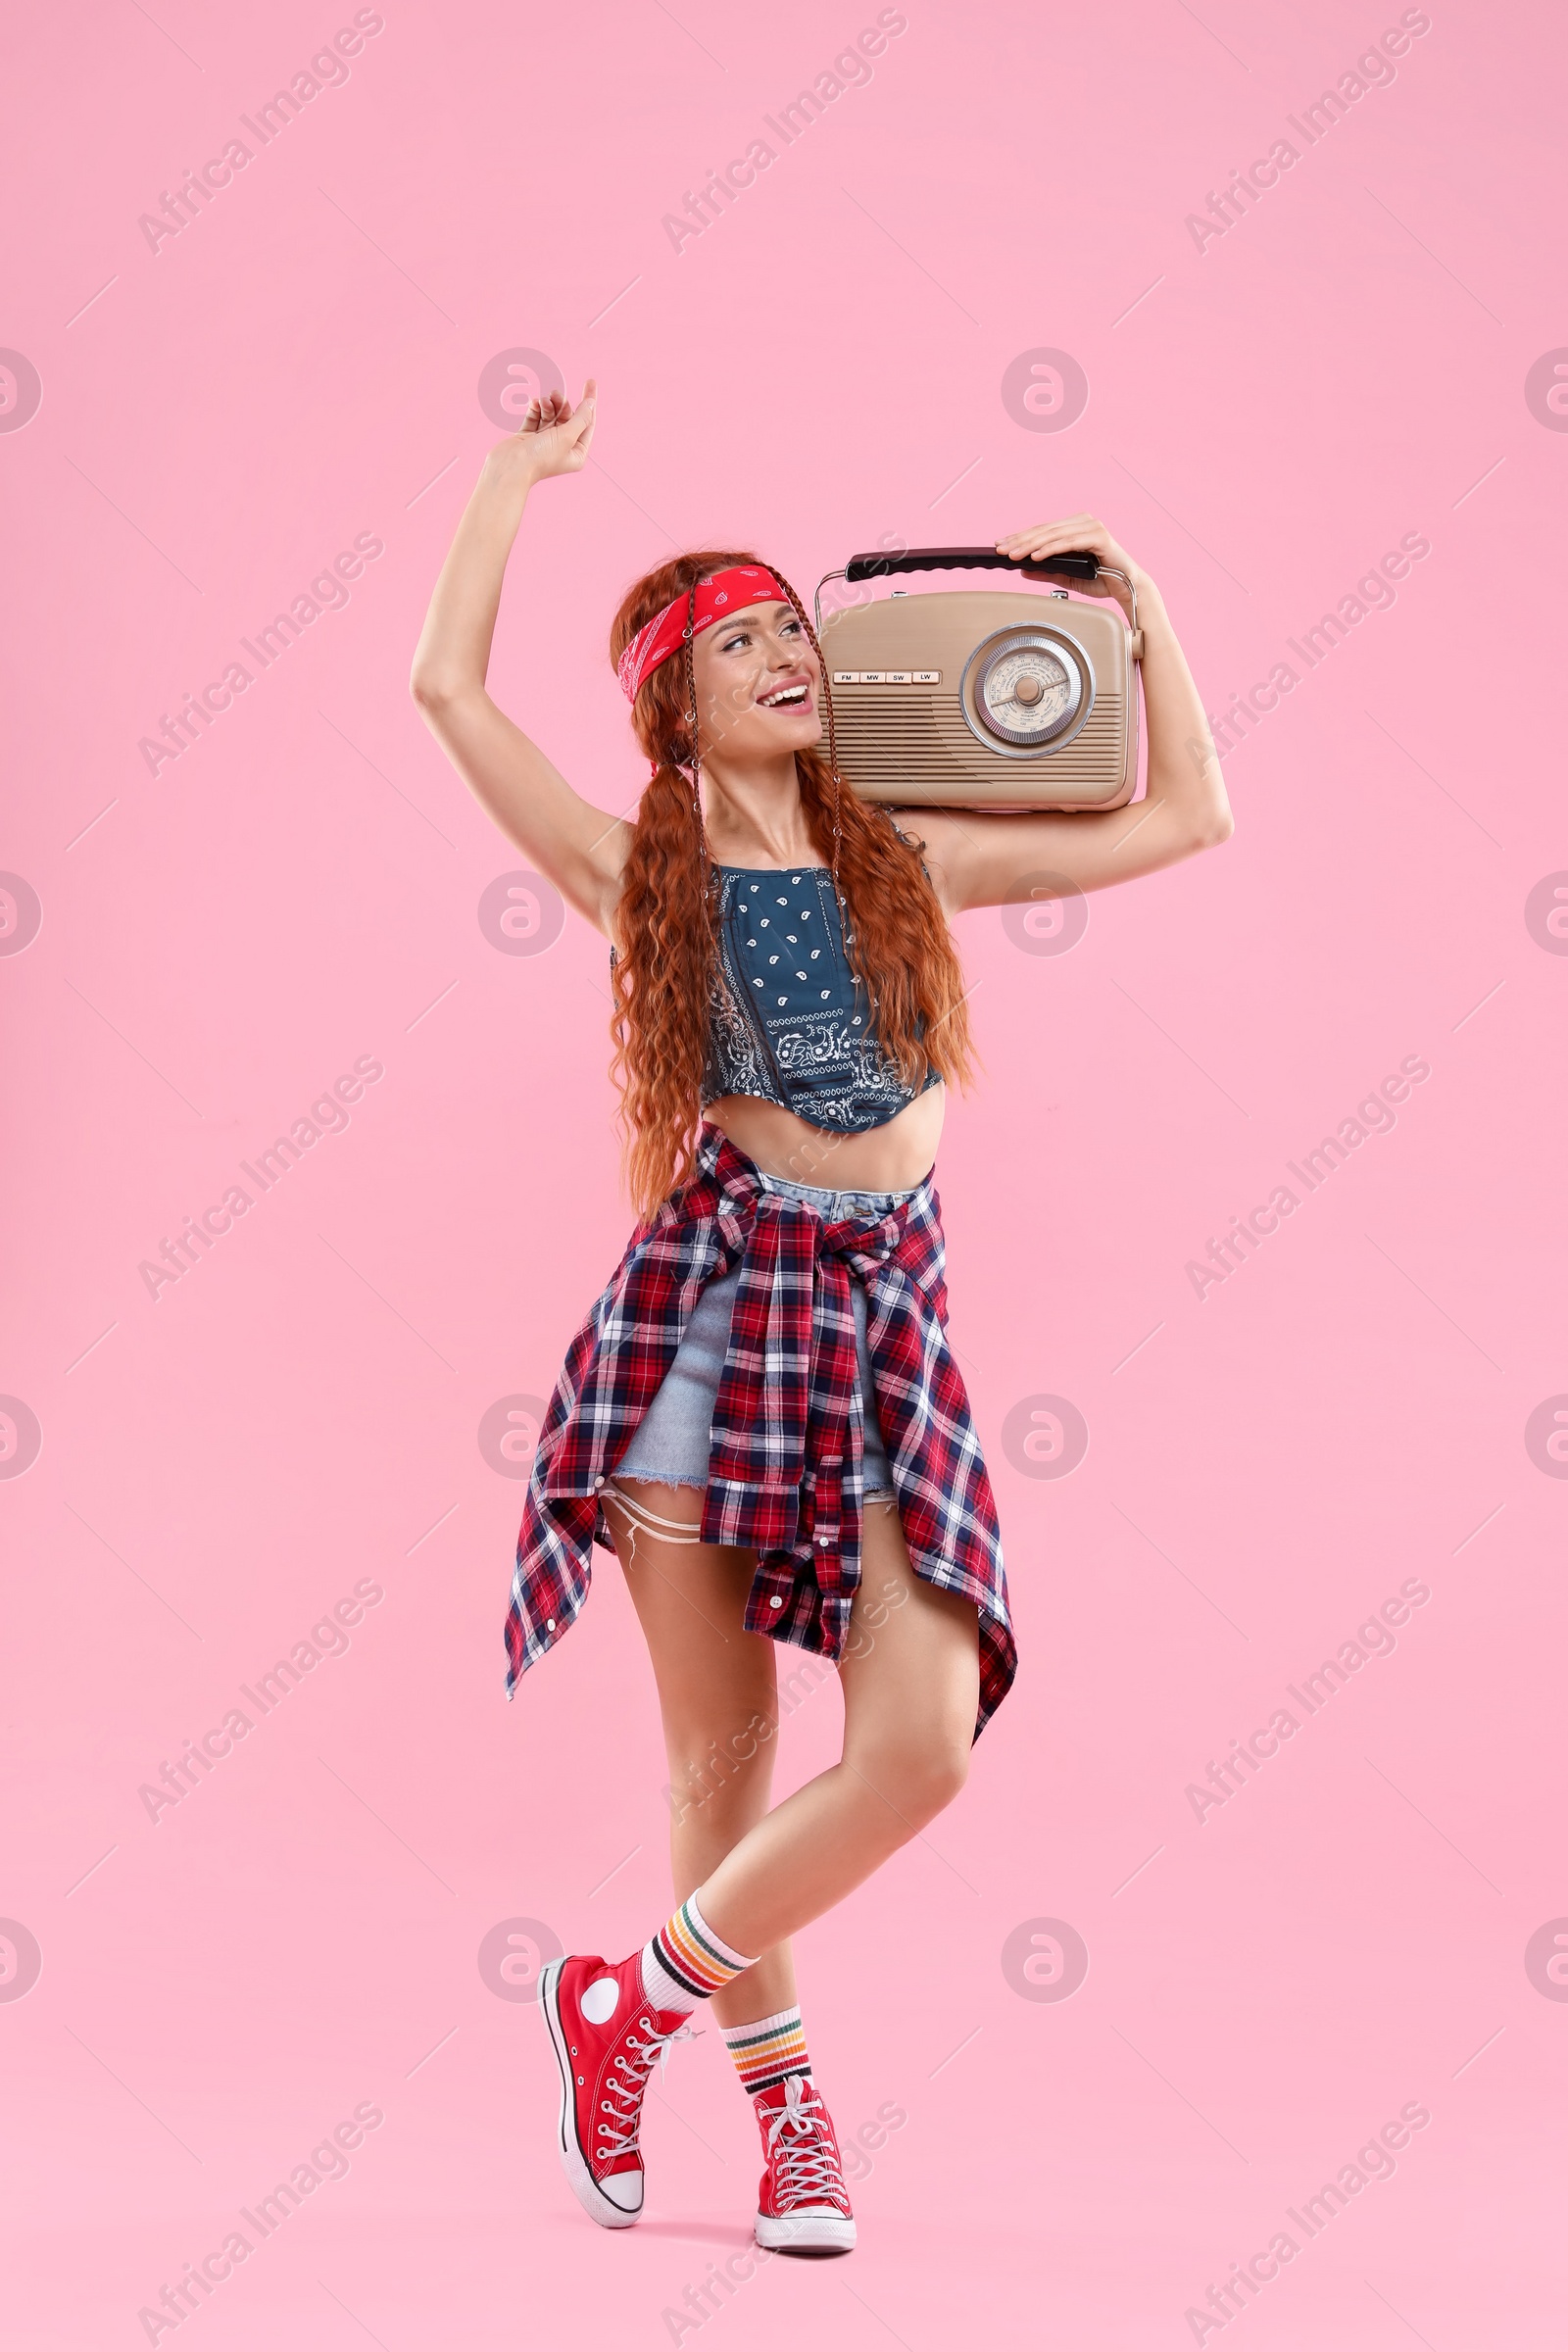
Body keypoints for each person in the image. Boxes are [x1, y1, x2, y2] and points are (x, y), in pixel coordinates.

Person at [410, 377, 1232, 2254]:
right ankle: (791, 2131)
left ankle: (622, 2000)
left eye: (793, 624)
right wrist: (511, 478)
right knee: (722, 1764)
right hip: (709, 1331)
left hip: (885, 1332)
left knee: (922, 1740)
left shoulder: (913, 855)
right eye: (738, 639)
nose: (784, 650)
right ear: (672, 705)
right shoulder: (648, 879)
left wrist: (1143, 610)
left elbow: (1192, 810)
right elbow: (448, 694)